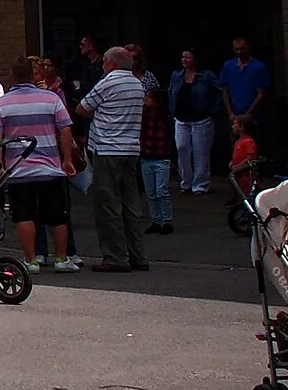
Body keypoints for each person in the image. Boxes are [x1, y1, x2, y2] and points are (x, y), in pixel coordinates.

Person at [0, 56, 79, 270]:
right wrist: (67, 160)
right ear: (32, 75)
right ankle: (61, 258)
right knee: (57, 216)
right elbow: (65, 129)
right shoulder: (51, 99)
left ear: (13, 76)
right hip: (50, 168)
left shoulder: (2, 104)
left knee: (24, 215)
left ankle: (31, 259)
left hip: (19, 169)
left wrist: (0, 166)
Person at [77, 45, 150, 273]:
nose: (102, 66)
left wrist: (97, 115)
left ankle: (115, 256)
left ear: (111, 64)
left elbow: (82, 108)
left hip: (108, 149)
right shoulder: (137, 84)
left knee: (108, 205)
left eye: (104, 62)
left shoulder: (109, 81)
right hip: (130, 149)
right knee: (131, 205)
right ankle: (138, 255)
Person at [168, 51, 220, 194]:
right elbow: (171, 92)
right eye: (183, 56)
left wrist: (212, 110)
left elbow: (219, 91)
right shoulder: (176, 75)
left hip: (201, 119)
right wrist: (172, 110)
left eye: (188, 57)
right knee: (182, 148)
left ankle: (200, 185)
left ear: (196, 60)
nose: (184, 59)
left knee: (201, 152)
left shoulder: (206, 76)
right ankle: (186, 182)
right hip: (181, 118)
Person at [218, 37, 272, 154]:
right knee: (236, 148)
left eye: (242, 49)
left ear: (248, 47)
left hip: (254, 115)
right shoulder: (228, 66)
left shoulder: (258, 67)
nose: (239, 52)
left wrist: (248, 114)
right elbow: (225, 90)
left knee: (254, 148)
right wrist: (230, 113)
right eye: (236, 49)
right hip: (235, 114)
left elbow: (261, 93)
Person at [139, 81, 174, 235]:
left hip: (161, 157)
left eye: (148, 97)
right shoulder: (144, 117)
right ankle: (155, 220)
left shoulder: (165, 118)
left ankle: (166, 220)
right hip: (147, 157)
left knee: (161, 190)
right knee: (150, 192)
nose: (145, 99)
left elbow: (169, 138)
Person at [229, 113, 262, 198]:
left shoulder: (248, 142)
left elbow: (249, 159)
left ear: (242, 127)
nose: (233, 126)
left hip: (246, 175)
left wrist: (237, 167)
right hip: (238, 175)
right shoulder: (238, 142)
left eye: (235, 124)